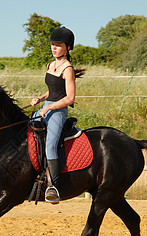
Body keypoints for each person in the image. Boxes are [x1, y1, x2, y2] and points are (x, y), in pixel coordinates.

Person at [30, 26, 84, 203]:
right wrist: (40, 98)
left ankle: (54, 187)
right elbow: (52, 91)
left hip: (58, 111)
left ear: (68, 47)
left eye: (58, 45)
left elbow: (69, 98)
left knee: (50, 146)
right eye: (52, 45)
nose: (54, 48)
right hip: (46, 106)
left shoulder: (67, 69)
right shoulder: (50, 65)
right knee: (28, 134)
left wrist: (49, 108)